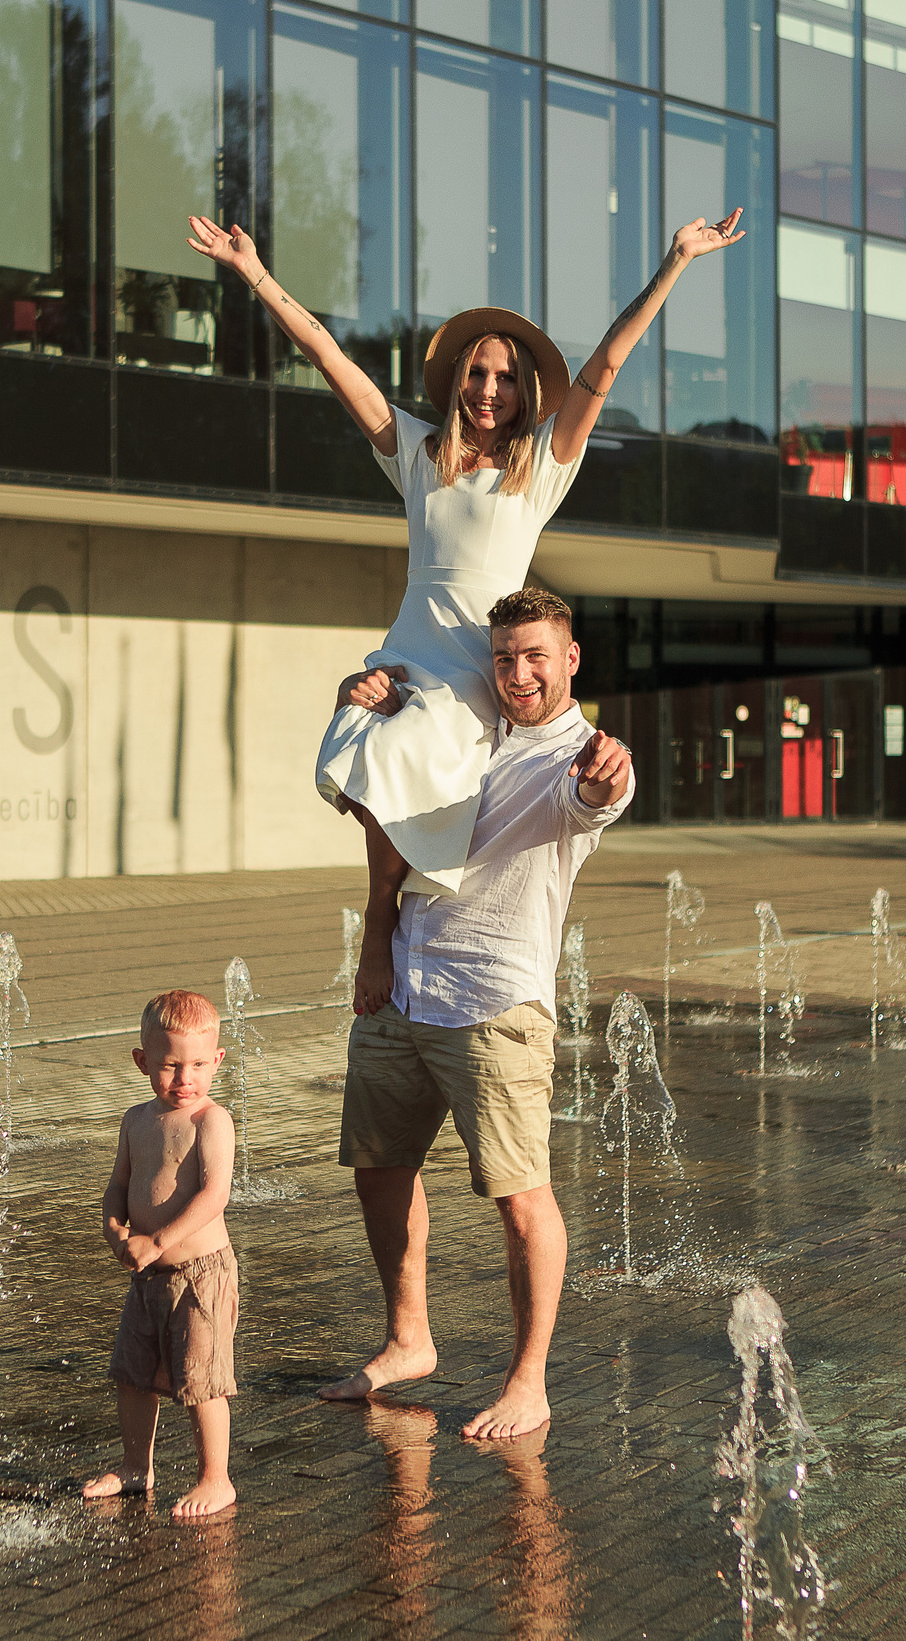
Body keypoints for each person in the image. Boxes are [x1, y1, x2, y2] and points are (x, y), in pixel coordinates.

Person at [183, 207, 740, 1014]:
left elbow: (605, 368)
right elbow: (328, 355)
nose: (488, 389)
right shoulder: (418, 454)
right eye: (478, 373)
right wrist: (255, 274)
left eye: (505, 377)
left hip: (483, 659)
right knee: (371, 740)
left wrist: (676, 263)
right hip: (412, 646)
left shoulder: (540, 466)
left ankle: (414, 935)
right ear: (458, 383)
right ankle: (380, 921)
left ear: (524, 393)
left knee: (421, 765)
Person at [317, 587, 634, 1440]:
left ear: (570, 659)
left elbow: (600, 796)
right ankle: (408, 1337)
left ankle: (528, 1381)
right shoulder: (459, 723)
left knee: (519, 1194)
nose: (518, 672)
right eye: (504, 656)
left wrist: (611, 779)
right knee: (378, 1166)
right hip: (402, 984)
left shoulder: (574, 756)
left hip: (495, 1002)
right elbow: (377, 802)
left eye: (536, 655)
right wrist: (364, 702)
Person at [81, 990, 239, 1517]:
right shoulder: (135, 1120)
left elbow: (213, 1195)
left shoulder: (210, 1122)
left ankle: (216, 1478)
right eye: (170, 1065)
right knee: (134, 1374)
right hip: (147, 1274)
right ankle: (135, 1466)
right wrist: (115, 1232)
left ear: (217, 1060)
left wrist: (158, 1240)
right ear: (142, 1060)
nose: (184, 1079)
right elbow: (116, 1187)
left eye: (197, 1065)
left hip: (201, 1274)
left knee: (202, 1379)